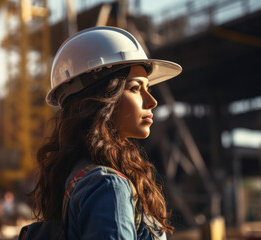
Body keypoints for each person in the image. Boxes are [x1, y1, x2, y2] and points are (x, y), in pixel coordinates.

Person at [28, 26, 182, 239]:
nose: (152, 101)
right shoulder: (108, 186)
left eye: (148, 88)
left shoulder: (78, 176)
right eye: (135, 88)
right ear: (102, 97)